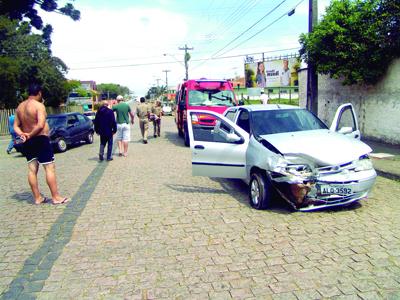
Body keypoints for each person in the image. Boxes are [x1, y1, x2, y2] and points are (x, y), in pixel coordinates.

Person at [13, 83, 70, 205]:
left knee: (32, 169)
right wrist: (31, 134)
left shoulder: (20, 107)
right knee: (49, 168)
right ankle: (56, 197)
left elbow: (15, 126)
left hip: (28, 141)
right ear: (39, 93)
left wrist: (24, 134)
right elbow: (40, 124)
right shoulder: (39, 106)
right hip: (40, 139)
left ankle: (37, 197)